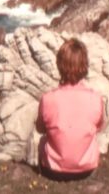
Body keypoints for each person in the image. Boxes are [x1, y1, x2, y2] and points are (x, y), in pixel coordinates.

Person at [36, 38, 103, 181]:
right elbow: (98, 127)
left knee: (41, 139)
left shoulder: (47, 99)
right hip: (87, 169)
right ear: (85, 66)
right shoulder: (96, 98)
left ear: (60, 66)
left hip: (52, 171)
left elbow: (40, 129)